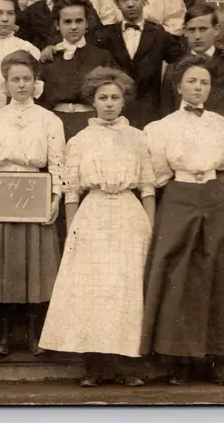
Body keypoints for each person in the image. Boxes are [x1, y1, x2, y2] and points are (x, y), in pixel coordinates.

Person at [39, 67, 154, 388]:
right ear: (92, 100)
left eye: (115, 98)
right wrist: (74, 228)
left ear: (124, 101)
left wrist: (151, 228)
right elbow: (71, 190)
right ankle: (94, 366)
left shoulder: (138, 138)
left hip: (129, 217)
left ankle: (125, 365)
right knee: (94, 292)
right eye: (102, 98)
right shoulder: (80, 140)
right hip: (93, 215)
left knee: (125, 291)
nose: (109, 104)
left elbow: (147, 186)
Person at [142, 55, 224, 386]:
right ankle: (178, 360)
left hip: (216, 199)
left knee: (220, 274)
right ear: (178, 86)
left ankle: (221, 361)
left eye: (204, 82)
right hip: (179, 197)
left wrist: (210, 185)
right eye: (191, 81)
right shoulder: (161, 129)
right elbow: (159, 174)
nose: (198, 87)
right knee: (178, 274)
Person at [0, 50, 65, 356]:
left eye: (27, 79)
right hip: (2, 193)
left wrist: (55, 199)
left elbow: (58, 163)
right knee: (6, 266)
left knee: (37, 267)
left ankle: (34, 333)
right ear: (6, 84)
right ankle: (6, 334)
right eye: (15, 79)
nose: (22, 85)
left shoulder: (49, 120)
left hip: (35, 193)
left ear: (36, 82)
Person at [160, 4, 224, 218]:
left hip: (223, 170)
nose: (197, 36)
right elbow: (165, 115)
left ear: (216, 30)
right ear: (184, 31)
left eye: (203, 29)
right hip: (184, 171)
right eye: (191, 30)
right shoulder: (175, 68)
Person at [94, 0, 183, 129]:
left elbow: (182, 60)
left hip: (150, 114)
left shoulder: (160, 35)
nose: (130, 4)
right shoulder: (105, 36)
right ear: (117, 3)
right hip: (115, 114)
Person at [39, 0, 117, 141]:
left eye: (79, 21)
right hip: (55, 124)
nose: (73, 27)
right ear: (57, 24)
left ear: (87, 23)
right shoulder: (49, 57)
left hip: (91, 123)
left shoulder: (102, 56)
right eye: (67, 22)